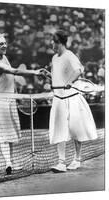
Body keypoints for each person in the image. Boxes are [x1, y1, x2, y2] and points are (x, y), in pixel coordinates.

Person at [0, 32, 41, 175]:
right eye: (1, 44)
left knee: (10, 134)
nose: (5, 45)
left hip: (10, 100)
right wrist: (35, 72)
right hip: (0, 103)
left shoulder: (4, 57)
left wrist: (16, 94)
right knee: (4, 135)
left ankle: (10, 162)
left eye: (5, 43)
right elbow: (16, 71)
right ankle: (8, 163)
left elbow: (10, 78)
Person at [48, 30, 97, 172]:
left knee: (76, 130)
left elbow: (78, 71)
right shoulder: (54, 58)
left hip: (72, 98)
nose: (51, 43)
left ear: (59, 42)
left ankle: (77, 159)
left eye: (53, 41)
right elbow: (57, 76)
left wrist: (69, 82)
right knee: (58, 130)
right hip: (58, 99)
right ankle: (61, 163)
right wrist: (49, 76)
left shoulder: (69, 55)